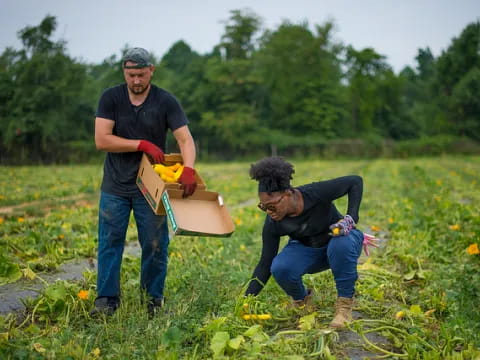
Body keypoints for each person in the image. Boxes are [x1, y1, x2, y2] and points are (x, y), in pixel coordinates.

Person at [92, 47, 197, 316]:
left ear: (151, 70)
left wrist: (188, 169)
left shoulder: (166, 101)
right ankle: (106, 300)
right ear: (124, 73)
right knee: (110, 241)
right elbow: (102, 139)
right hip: (115, 185)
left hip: (151, 186)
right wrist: (140, 144)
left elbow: (184, 139)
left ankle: (152, 300)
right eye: (131, 75)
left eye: (141, 74)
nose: (136, 81)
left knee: (155, 243)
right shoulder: (111, 98)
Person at [245, 156, 375, 328]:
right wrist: (245, 301)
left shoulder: (314, 193)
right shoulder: (274, 222)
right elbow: (264, 264)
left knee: (340, 244)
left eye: (271, 205)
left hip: (340, 243)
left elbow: (355, 182)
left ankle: (344, 307)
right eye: (263, 207)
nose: (268, 211)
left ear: (288, 194)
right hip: (309, 251)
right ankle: (303, 302)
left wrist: (351, 218)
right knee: (280, 267)